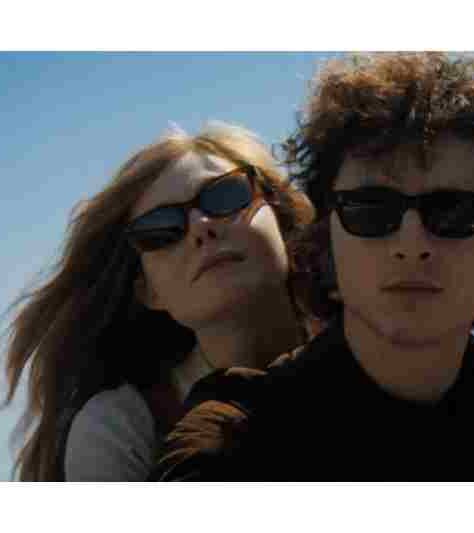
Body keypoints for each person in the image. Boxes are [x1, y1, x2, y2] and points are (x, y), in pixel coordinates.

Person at [150, 53, 474, 481]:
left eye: (454, 212)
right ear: (325, 244)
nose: (411, 243)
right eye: (370, 209)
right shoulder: (238, 437)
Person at [2, 122, 314, 481]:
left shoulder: (367, 340)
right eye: (161, 230)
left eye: (225, 195)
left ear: (281, 220)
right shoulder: (119, 427)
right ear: (148, 292)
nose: (201, 226)